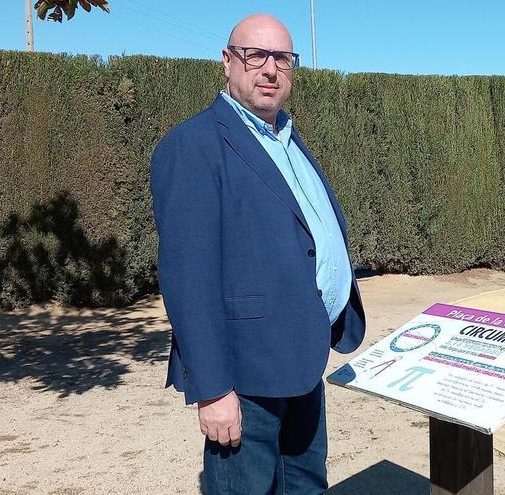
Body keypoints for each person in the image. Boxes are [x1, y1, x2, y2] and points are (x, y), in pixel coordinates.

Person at [150, 13, 366, 495]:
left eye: (283, 59)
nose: (270, 69)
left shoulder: (285, 139)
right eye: (256, 55)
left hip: (302, 361)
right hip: (245, 378)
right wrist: (213, 390)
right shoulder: (193, 146)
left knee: (306, 486)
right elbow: (188, 278)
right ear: (227, 62)